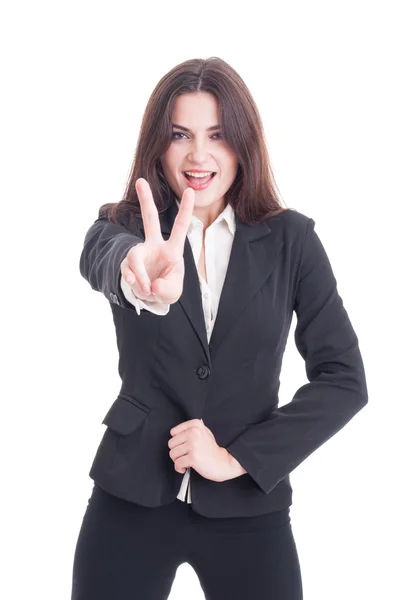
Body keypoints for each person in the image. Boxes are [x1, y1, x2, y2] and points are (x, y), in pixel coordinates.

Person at [71, 57, 368, 600]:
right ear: (158, 144)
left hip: (248, 503)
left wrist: (236, 458)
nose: (198, 155)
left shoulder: (293, 241)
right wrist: (136, 268)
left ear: (243, 145)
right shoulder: (123, 228)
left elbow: (344, 378)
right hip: (131, 493)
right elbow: (102, 255)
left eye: (218, 135)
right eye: (180, 134)